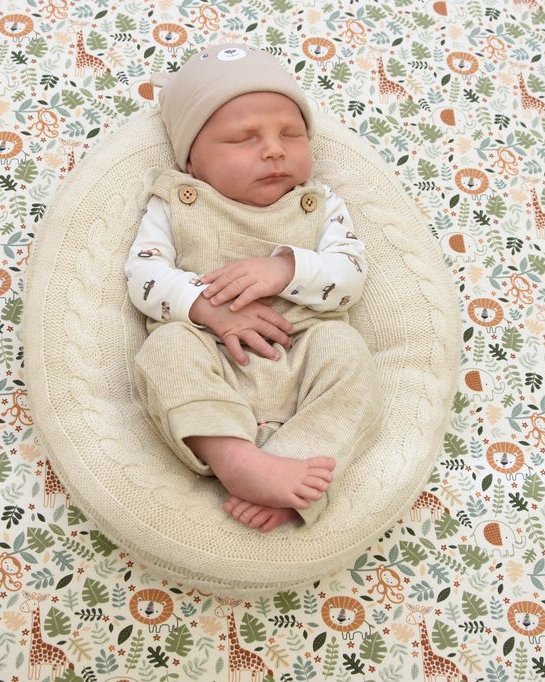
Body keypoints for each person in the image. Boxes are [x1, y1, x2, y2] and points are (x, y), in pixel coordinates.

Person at [125, 44, 382, 533]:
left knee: (348, 351)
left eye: (292, 134)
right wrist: (208, 309)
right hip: (212, 354)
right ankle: (236, 459)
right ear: (192, 163)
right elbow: (143, 275)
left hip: (302, 352)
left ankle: (299, 467)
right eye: (243, 139)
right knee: (165, 351)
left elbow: (350, 277)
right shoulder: (178, 202)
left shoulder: (319, 204)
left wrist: (286, 269)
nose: (274, 150)